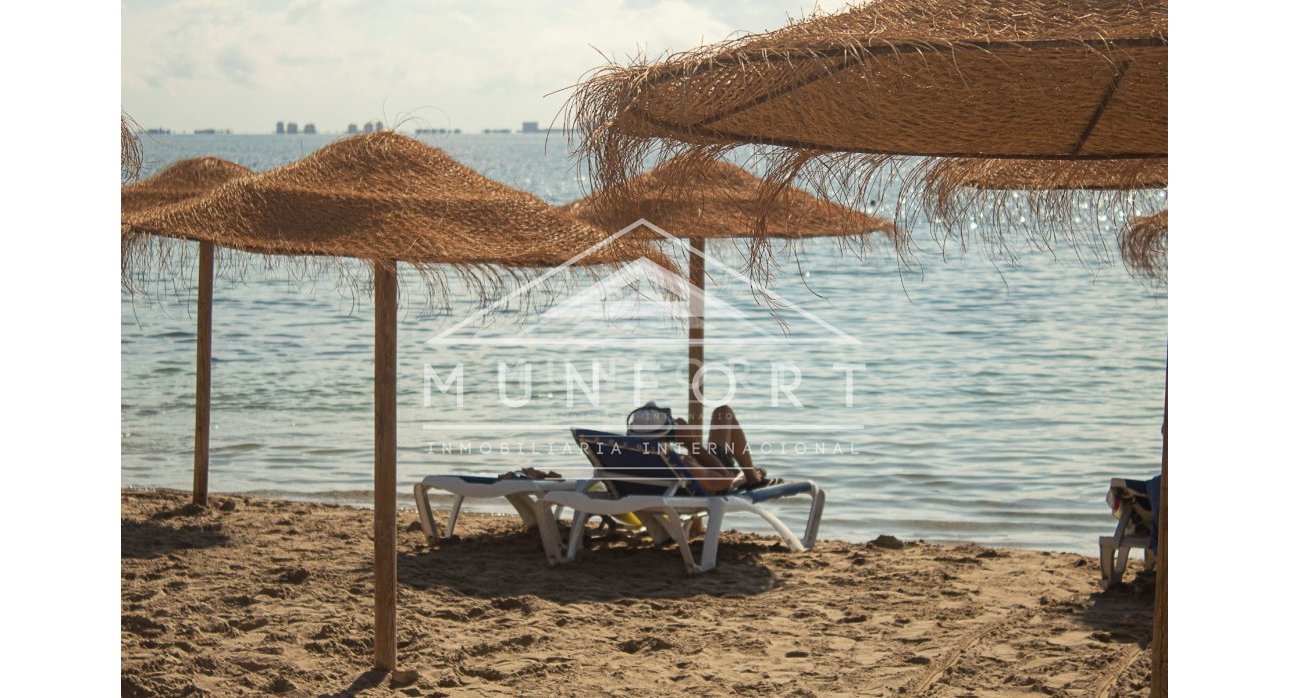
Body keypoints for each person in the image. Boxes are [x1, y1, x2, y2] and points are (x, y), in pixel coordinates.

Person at [672, 406, 776, 495]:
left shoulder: (660, 457)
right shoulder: (678, 462)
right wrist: (689, 441)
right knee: (724, 412)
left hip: (698, 473)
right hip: (715, 479)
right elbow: (723, 480)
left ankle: (748, 475)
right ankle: (751, 478)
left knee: (722, 413)